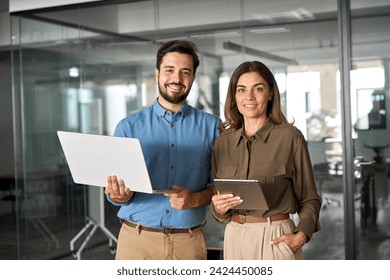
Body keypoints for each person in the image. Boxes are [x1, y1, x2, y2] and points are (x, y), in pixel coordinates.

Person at [105, 40, 221, 260]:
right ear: (157, 73)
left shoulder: (213, 127)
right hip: (136, 242)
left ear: (193, 78)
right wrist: (118, 195)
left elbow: (222, 187)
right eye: (169, 70)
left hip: (188, 243)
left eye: (185, 72)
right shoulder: (128, 127)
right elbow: (114, 191)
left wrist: (195, 199)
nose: (176, 79)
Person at [210, 61, 322, 260]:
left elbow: (309, 198)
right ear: (234, 97)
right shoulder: (222, 143)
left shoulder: (290, 137)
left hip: (275, 237)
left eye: (258, 89)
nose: (249, 97)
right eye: (241, 89)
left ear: (270, 94)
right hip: (234, 235)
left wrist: (302, 234)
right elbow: (221, 205)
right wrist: (218, 209)